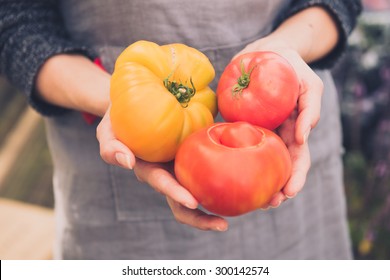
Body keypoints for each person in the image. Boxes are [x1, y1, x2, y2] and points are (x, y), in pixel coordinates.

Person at [0, 0, 362, 259]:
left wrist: (285, 50)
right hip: (116, 201)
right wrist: (118, 102)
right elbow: (14, 22)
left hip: (290, 129)